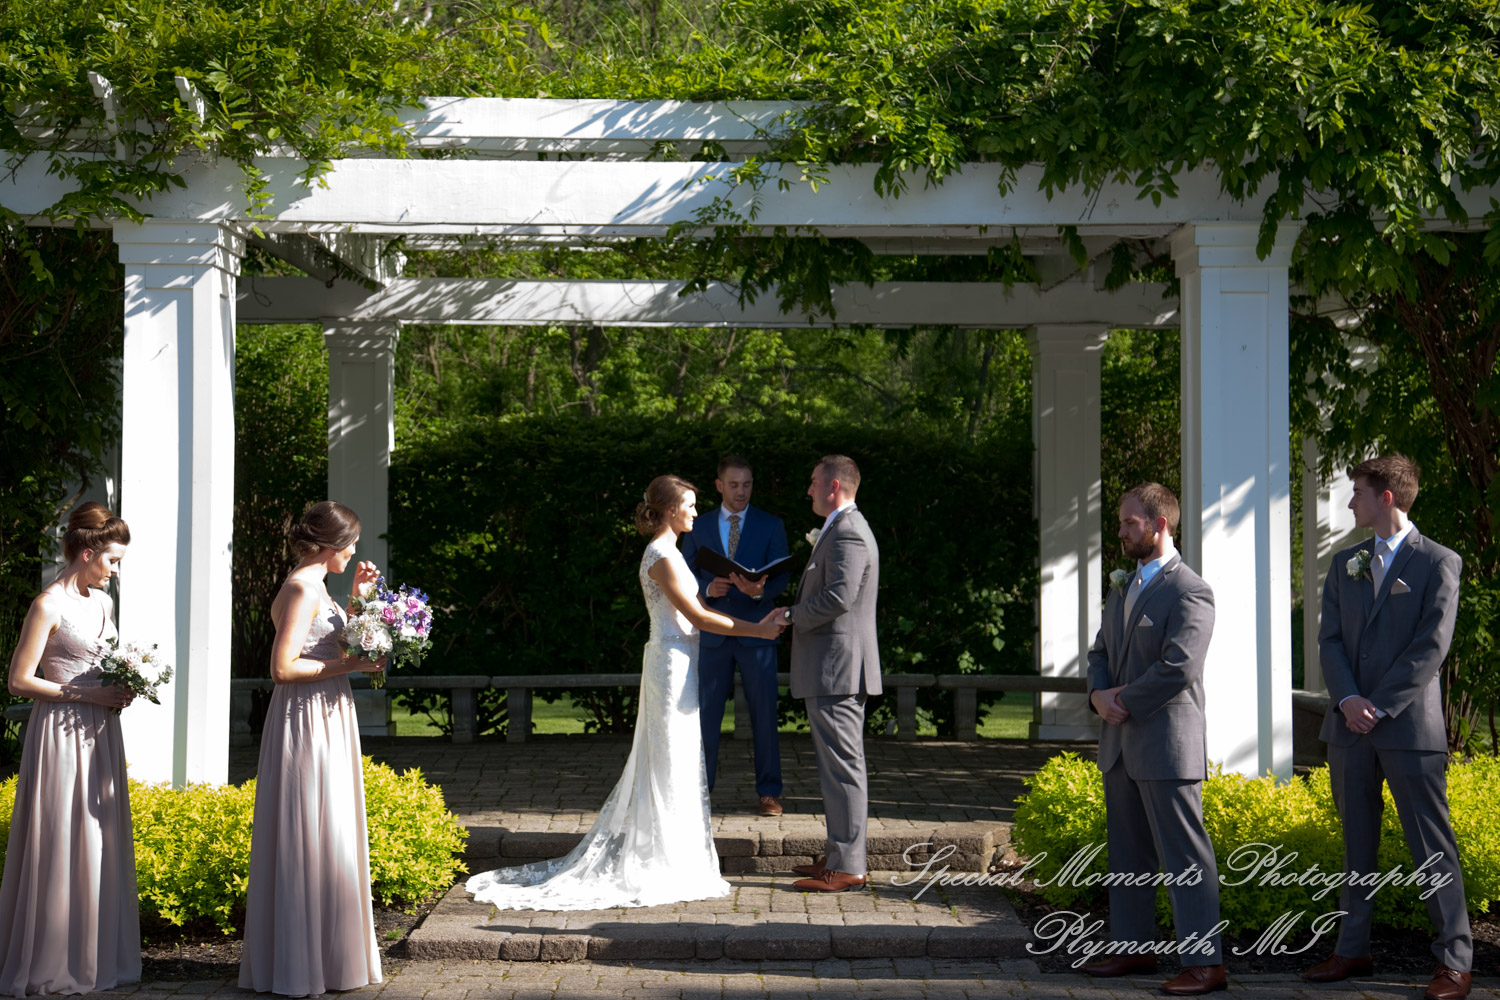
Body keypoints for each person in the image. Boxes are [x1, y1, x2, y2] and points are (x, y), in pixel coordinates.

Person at [465, 475, 784, 910]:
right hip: (670, 665)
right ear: (670, 510)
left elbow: (700, 610)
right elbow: (699, 618)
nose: (696, 511)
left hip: (681, 662)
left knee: (677, 757)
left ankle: (674, 856)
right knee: (668, 757)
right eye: (690, 505)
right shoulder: (662, 556)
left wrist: (752, 614)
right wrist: (760, 631)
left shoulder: (672, 552)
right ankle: (662, 860)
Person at [1302, 455, 1472, 1000]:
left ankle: (1455, 961)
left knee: (1430, 845)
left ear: (1387, 497)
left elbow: (1431, 646)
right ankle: (1352, 949)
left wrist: (1377, 705)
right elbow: (1329, 641)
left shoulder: (1439, 562)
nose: (1351, 502)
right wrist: (1349, 699)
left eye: (1357, 492)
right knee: (1356, 844)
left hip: (1408, 728)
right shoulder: (1345, 563)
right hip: (1349, 726)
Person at [1082, 482, 1225, 996]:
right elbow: (1100, 651)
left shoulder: (1190, 590)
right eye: (1120, 522)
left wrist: (1121, 701)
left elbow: (1179, 666)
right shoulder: (1122, 586)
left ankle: (1205, 963)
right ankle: (1133, 948)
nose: (1121, 532)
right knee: (1128, 854)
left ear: (1159, 525)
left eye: (1130, 523)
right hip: (1119, 743)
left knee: (1186, 858)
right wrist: (1097, 695)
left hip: (1167, 743)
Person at [239, 501, 385, 998]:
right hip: (305, 716)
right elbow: (283, 668)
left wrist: (359, 600)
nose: (354, 552)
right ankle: (302, 963)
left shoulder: (320, 587)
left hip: (327, 711)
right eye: (351, 544)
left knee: (330, 826)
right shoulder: (302, 588)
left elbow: (333, 649)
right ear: (330, 545)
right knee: (310, 823)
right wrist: (354, 667)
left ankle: (327, 956)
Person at [0, 501, 139, 997]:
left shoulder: (103, 603)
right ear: (87, 553)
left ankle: (93, 956)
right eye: (113, 560)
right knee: (63, 836)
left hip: (102, 733)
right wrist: (89, 695)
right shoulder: (47, 605)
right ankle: (53, 960)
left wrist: (125, 685)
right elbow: (19, 681)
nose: (116, 570)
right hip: (60, 733)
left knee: (98, 839)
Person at [782, 455, 880, 893]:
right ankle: (840, 853)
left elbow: (840, 597)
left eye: (813, 482)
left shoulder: (848, 532)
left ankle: (849, 865)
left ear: (834, 486)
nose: (808, 490)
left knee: (843, 769)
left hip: (838, 668)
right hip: (834, 667)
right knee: (836, 768)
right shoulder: (840, 527)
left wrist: (790, 614)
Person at [680, 456, 790, 816]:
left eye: (747, 484)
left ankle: (769, 792)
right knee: (706, 715)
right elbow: (682, 571)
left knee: (765, 715)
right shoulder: (698, 525)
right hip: (712, 631)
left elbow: (783, 577)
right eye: (734, 485)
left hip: (758, 633)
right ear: (719, 486)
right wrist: (706, 587)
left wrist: (760, 592)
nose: (741, 491)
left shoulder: (771, 525)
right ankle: (700, 791)